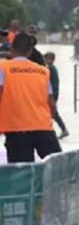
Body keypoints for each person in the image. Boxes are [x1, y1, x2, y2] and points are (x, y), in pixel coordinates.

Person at [0, 34, 62, 163]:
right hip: (43, 128)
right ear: (30, 51)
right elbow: (51, 103)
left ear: (12, 48)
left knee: (22, 174)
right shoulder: (43, 71)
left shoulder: (3, 68)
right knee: (57, 168)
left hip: (16, 130)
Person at [43, 51, 69, 139]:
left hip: (52, 94)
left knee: (52, 113)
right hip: (54, 93)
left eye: (46, 59)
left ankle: (59, 130)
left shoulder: (49, 68)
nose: (45, 60)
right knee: (52, 113)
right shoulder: (52, 68)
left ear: (51, 59)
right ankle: (61, 129)